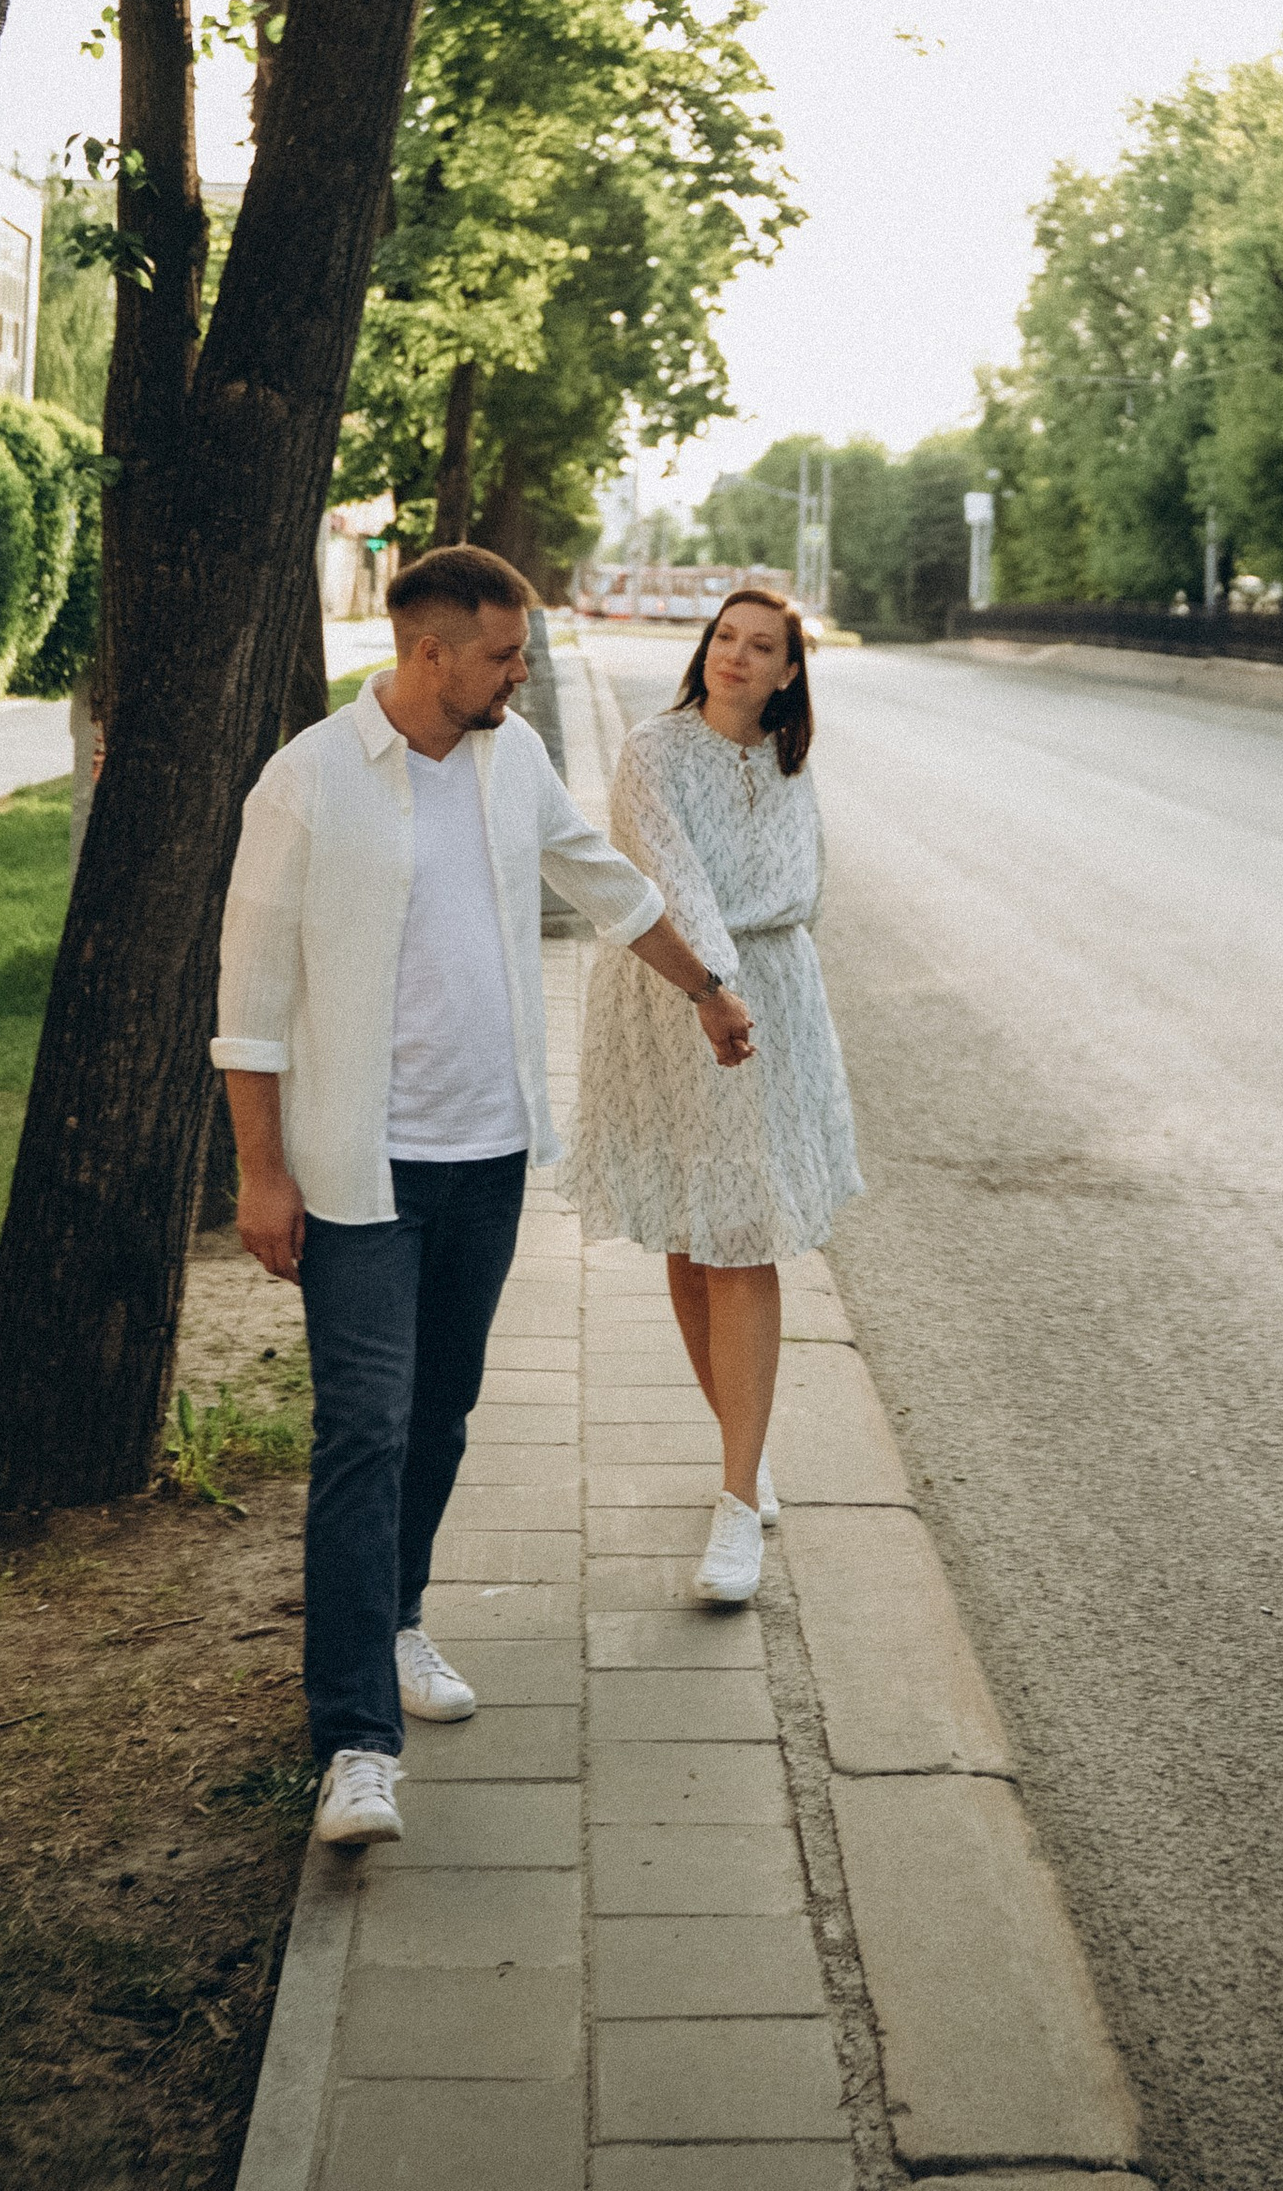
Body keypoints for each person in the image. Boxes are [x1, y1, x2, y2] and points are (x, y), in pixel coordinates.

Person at [214, 543, 755, 1848]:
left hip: (488, 1151)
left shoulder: (512, 763)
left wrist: (706, 986)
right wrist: (261, 1170)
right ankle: (353, 1744)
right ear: (428, 651)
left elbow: (607, 883)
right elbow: (252, 1001)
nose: (523, 672)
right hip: (358, 1168)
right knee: (365, 1429)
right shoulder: (308, 784)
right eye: (504, 655)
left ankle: (396, 1622)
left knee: (441, 1415)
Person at [561, 588, 861, 1608]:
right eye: (724, 638)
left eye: (760, 645)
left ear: (789, 670)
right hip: (678, 992)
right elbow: (671, 882)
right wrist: (713, 985)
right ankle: (746, 1451)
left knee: (743, 1234)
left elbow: (800, 880)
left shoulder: (790, 756)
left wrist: (746, 986)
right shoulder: (652, 749)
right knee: (698, 1234)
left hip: (770, 997)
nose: (735, 656)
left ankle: (738, 1497)